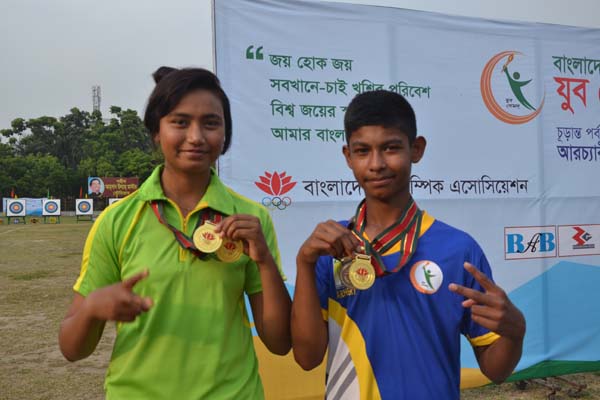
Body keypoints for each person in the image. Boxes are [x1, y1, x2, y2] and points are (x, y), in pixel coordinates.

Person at [59, 67, 292, 399]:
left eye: (211, 123)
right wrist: (93, 308)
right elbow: (71, 349)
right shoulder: (117, 221)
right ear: (156, 131)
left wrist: (265, 261)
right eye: (180, 122)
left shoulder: (252, 218)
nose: (196, 137)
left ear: (226, 133)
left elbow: (280, 343)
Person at [291, 90, 525, 399]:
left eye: (390, 148)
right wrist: (304, 263)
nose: (376, 164)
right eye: (363, 151)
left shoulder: (458, 250)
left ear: (416, 149)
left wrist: (514, 331)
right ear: (348, 156)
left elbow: (496, 371)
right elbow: (307, 359)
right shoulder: (329, 250)